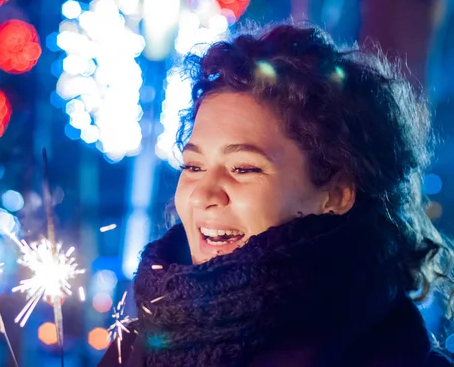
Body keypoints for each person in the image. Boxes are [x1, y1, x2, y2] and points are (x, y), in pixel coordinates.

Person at [99, 22, 454, 366]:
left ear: (337, 192)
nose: (203, 194)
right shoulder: (133, 346)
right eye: (193, 166)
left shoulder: (391, 354)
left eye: (244, 169)